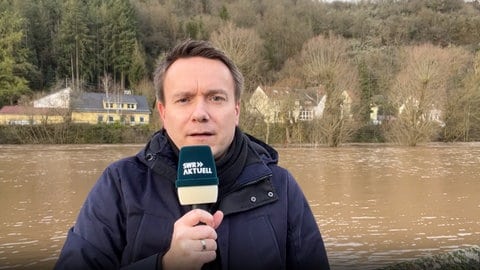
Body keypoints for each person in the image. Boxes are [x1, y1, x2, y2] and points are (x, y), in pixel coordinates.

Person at [54, 39, 330, 270]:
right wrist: (163, 265)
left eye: (216, 98)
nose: (200, 113)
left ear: (236, 111)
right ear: (163, 113)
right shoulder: (120, 184)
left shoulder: (280, 187)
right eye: (184, 99)